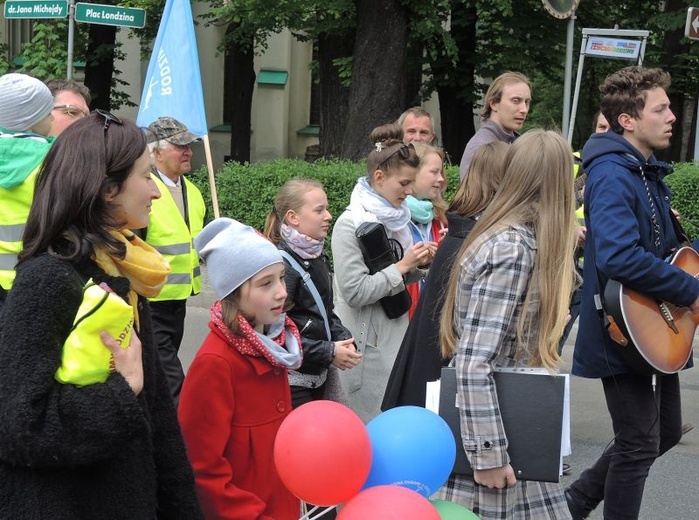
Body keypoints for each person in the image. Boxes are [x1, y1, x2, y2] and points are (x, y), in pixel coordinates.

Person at [0, 112, 203, 519]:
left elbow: (160, 425)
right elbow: (20, 429)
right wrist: (120, 391)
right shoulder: (48, 280)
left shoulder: (121, 272)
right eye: (146, 177)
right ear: (108, 190)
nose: (157, 193)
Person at [565, 66, 699, 520]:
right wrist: (690, 290)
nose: (672, 116)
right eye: (660, 108)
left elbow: (664, 248)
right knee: (639, 442)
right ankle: (573, 503)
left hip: (652, 326)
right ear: (628, 120)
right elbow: (620, 257)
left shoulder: (642, 170)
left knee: (660, 435)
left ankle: (573, 503)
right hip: (622, 327)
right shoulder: (613, 175)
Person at [436, 130, 576, 519]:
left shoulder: (511, 237)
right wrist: (488, 455)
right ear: (558, 183)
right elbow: (474, 361)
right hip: (496, 439)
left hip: (507, 427)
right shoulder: (513, 247)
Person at [179, 217, 302, 520]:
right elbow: (202, 466)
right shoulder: (216, 363)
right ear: (233, 293)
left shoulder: (272, 344)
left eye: (281, 278)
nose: (281, 292)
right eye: (265, 283)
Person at [382, 141, 508, 410]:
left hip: (426, 372)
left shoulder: (458, 229)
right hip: (435, 380)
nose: (441, 179)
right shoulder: (469, 239)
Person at [331, 123, 432, 423]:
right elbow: (354, 292)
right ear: (379, 177)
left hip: (393, 337)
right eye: (404, 183)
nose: (410, 191)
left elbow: (393, 281)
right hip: (365, 351)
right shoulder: (349, 225)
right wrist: (402, 266)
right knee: (369, 431)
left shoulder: (396, 219)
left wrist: (418, 264)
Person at [264, 178, 360, 409]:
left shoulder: (316, 256)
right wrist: (328, 352)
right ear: (293, 217)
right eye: (319, 210)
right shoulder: (281, 267)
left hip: (318, 377)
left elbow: (325, 314)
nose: (328, 215)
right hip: (292, 384)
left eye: (326, 208)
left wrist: (343, 339)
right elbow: (274, 336)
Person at [144, 116, 206, 406]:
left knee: (157, 374)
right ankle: (180, 439)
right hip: (150, 300)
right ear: (156, 152)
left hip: (179, 299)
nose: (188, 151)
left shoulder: (192, 191)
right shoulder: (144, 189)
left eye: (189, 146)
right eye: (179, 146)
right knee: (171, 379)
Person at [0, 73, 55, 291]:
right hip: (34, 280)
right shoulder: (54, 162)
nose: (52, 116)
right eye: (45, 111)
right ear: (29, 119)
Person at [459, 72, 531, 180]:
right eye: (516, 101)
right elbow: (473, 196)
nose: (524, 109)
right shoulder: (480, 148)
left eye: (527, 102)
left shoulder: (519, 144)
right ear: (493, 104)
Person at [405, 142, 446, 318]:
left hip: (432, 318)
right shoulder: (394, 217)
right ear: (413, 173)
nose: (442, 179)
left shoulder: (442, 219)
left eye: (441, 172)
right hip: (402, 318)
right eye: (434, 172)